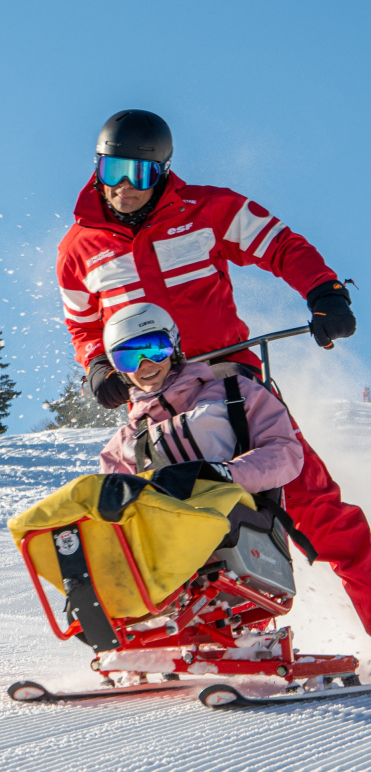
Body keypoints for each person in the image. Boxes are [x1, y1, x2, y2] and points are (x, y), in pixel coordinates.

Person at [56, 108, 371, 633]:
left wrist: (324, 292)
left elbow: (281, 245)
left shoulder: (205, 209)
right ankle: (189, 636)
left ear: (162, 173)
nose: (124, 188)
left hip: (231, 387)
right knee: (157, 516)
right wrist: (95, 367)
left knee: (316, 508)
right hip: (155, 401)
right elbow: (82, 325)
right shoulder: (78, 250)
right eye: (113, 173)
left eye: (140, 175)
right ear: (96, 168)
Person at [98, 303, 304, 496]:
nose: (145, 364)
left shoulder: (235, 392)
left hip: (245, 526)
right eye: (128, 359)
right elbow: (111, 507)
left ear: (174, 345)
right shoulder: (125, 442)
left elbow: (285, 452)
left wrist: (227, 475)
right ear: (118, 370)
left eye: (154, 349)